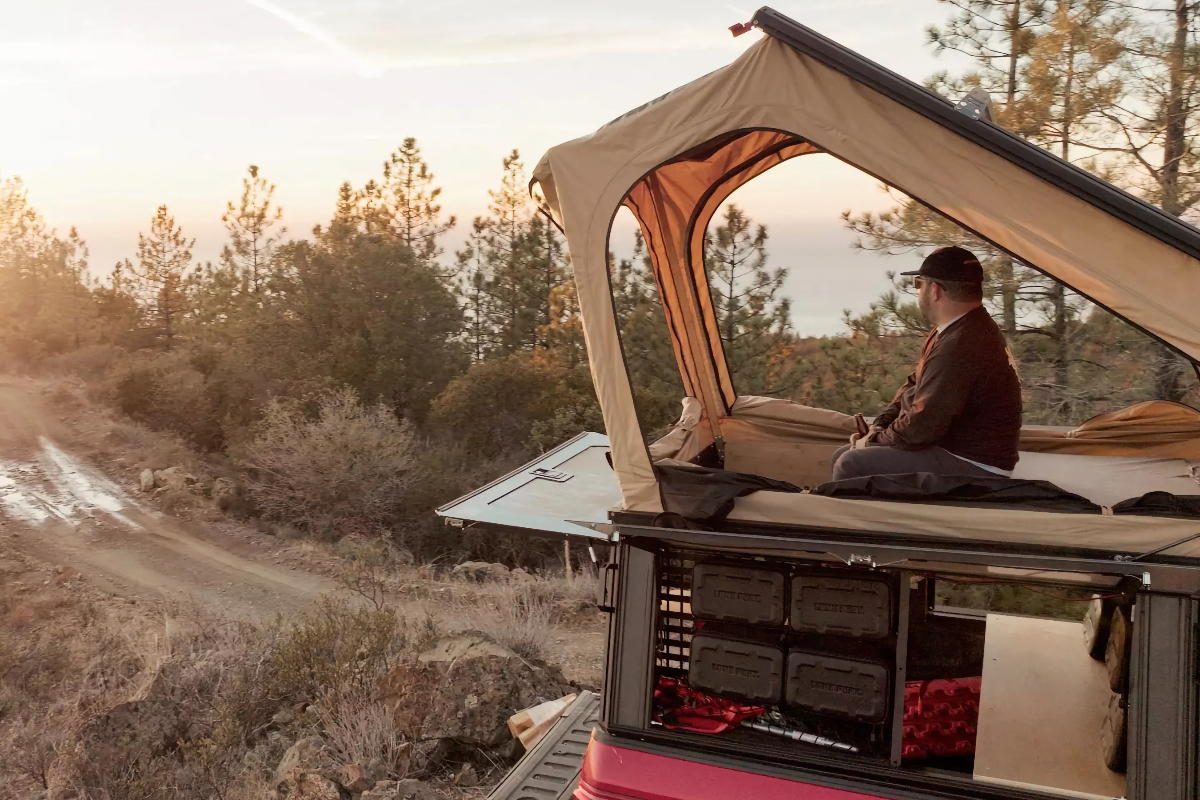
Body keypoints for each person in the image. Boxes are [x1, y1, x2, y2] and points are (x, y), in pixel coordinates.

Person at [831, 245, 1022, 481]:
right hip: (953, 451)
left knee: (851, 463)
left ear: (935, 291)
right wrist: (878, 427)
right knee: (844, 455)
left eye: (918, 283)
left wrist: (871, 442)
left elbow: (921, 427)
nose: (917, 291)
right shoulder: (958, 330)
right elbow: (913, 385)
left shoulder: (962, 344)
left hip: (975, 464)